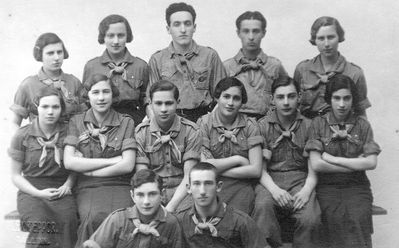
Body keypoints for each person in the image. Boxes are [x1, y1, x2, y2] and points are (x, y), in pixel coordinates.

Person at [305, 74, 380, 248]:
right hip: (327, 188)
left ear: (353, 99)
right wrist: (355, 165)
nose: (341, 104)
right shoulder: (318, 124)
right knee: (331, 218)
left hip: (357, 187)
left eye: (347, 98)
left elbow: (371, 163)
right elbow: (316, 164)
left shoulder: (363, 125)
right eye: (336, 98)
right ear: (329, 99)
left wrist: (332, 159)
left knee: (358, 216)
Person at [63, 74, 136, 247]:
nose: (101, 97)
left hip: (120, 185)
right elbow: (69, 162)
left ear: (113, 94)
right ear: (87, 96)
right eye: (95, 92)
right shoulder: (76, 121)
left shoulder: (126, 122)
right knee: (91, 218)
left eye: (106, 92)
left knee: (124, 219)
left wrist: (89, 168)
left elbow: (128, 165)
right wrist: (112, 161)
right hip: (88, 186)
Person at [253, 77, 320, 248]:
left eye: (291, 96)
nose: (286, 102)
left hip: (301, 180)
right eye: (280, 97)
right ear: (272, 100)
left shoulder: (310, 125)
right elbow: (260, 169)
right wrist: (274, 190)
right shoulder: (262, 126)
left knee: (310, 218)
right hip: (270, 180)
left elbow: (313, 170)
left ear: (299, 97)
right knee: (263, 207)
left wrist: (306, 191)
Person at [8, 88, 78, 248]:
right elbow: (16, 176)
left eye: (55, 107)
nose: (50, 112)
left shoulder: (69, 131)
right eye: (45, 107)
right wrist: (38, 193)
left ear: (61, 109)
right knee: (40, 225)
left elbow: (75, 166)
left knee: (68, 222)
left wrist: (68, 185)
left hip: (61, 189)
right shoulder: (22, 135)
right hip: (31, 191)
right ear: (36, 107)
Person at [148, 2, 226, 122]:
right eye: (177, 24)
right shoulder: (157, 59)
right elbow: (150, 100)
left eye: (187, 24)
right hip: (170, 120)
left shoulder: (210, 56)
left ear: (194, 27)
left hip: (203, 118)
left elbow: (223, 96)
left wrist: (209, 122)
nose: (183, 29)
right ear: (168, 29)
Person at [197, 77, 262, 214]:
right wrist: (238, 160)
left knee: (237, 220)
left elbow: (256, 170)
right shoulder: (204, 123)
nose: (230, 103)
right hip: (211, 185)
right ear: (217, 98)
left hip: (241, 186)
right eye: (226, 97)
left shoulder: (250, 125)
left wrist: (218, 169)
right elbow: (204, 165)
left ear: (242, 102)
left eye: (236, 98)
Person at [135, 80, 201, 213]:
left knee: (186, 218)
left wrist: (171, 207)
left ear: (178, 102)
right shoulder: (141, 132)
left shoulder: (191, 130)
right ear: (150, 104)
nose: (163, 109)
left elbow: (189, 175)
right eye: (158, 103)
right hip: (153, 189)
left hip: (183, 191)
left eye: (169, 103)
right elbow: (142, 175)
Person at [82, 169, 184, 248]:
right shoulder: (118, 219)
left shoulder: (171, 223)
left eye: (152, 194)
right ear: (132, 196)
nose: (146, 202)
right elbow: (94, 245)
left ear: (162, 194)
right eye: (140, 195)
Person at [294, 16, 371, 119]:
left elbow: (361, 115)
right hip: (308, 130)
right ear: (314, 40)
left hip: (341, 131)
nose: (326, 44)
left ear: (339, 37)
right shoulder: (302, 69)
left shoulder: (355, 73)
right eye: (321, 38)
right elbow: (294, 107)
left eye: (331, 37)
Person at [177, 162, 269, 248]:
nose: (202, 191)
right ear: (189, 188)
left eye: (208, 183)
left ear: (218, 186)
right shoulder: (180, 222)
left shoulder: (241, 222)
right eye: (196, 184)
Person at [83, 14, 148, 124]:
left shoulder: (140, 66)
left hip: (133, 120)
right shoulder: (92, 66)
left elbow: (146, 98)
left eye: (121, 35)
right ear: (103, 37)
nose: (116, 41)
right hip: (101, 121)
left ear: (127, 36)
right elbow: (84, 100)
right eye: (110, 36)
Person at [11, 32, 86, 129]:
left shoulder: (73, 82)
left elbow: (85, 116)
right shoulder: (28, 85)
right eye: (50, 53)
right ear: (40, 55)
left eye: (59, 52)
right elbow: (15, 123)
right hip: (40, 141)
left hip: (71, 140)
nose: (56, 58)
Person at [224, 11, 288, 120]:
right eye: (246, 31)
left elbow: (287, 95)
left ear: (263, 33)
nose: (251, 37)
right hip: (235, 123)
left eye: (256, 31)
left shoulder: (274, 65)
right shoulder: (227, 66)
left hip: (268, 123)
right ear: (238, 33)